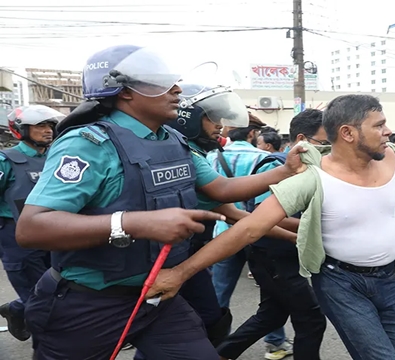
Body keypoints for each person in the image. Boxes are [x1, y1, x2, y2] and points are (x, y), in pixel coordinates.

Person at [15, 44, 304, 360]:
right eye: (160, 82)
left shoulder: (172, 140)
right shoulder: (89, 145)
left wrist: (285, 171)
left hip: (159, 297)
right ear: (125, 91)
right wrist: (135, 223)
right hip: (90, 303)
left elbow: (221, 188)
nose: (176, 89)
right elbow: (32, 228)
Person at [147, 94, 395, 360]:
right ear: (348, 133)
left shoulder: (394, 159)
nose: (388, 132)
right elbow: (250, 228)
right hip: (341, 284)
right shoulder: (312, 178)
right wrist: (180, 273)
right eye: (379, 125)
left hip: (389, 280)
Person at [215, 109, 328, 360]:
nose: (329, 148)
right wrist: (306, 227)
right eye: (324, 142)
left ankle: (218, 354)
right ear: (303, 139)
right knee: (311, 319)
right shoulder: (279, 165)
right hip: (272, 251)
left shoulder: (312, 168)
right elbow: (263, 214)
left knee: (272, 315)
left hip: (278, 252)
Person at [207, 113, 294, 358]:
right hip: (258, 234)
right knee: (269, 294)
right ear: (252, 134)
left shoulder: (213, 156)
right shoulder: (262, 157)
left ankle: (214, 344)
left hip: (222, 232)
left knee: (219, 294)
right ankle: (275, 343)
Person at [0, 105, 62, 347]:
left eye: (49, 126)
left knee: (56, 290)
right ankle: (49, 346)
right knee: (41, 303)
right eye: (40, 126)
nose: (47, 131)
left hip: (54, 235)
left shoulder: (56, 157)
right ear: (21, 130)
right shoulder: (7, 161)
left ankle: (16, 309)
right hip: (17, 240)